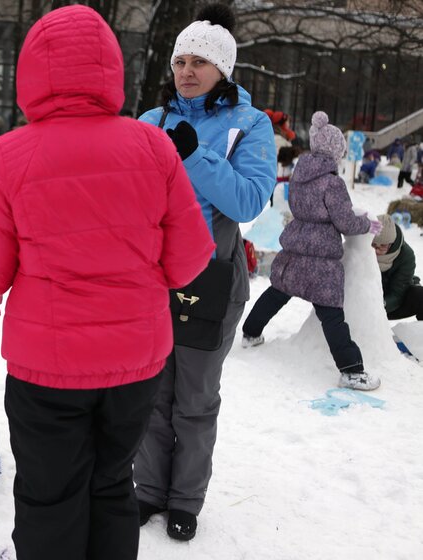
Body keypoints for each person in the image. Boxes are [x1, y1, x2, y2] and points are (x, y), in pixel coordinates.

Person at [0, 6, 216, 560]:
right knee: (111, 483)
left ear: (29, 76)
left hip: (46, 365)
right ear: (110, 70)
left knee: (49, 494)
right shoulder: (152, 146)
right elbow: (192, 255)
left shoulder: (8, 155)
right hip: (134, 361)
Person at [131, 4, 276, 542]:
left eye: (200, 62)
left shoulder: (251, 124)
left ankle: (185, 497)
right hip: (152, 274)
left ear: (224, 69)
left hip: (213, 273)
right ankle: (148, 487)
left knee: (195, 397)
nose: (187, 72)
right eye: (180, 61)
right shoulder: (151, 121)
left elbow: (249, 202)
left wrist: (195, 156)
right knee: (150, 391)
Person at [241, 111, 382, 393]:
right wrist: (367, 224)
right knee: (331, 313)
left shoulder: (299, 174)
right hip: (321, 257)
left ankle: (250, 332)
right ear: (335, 152)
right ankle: (352, 371)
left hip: (296, 245)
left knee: (277, 292)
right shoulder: (332, 183)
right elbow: (344, 221)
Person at [372, 214, 423, 319]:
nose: (377, 250)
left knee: (420, 296)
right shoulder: (360, 250)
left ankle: (418, 333)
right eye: (374, 245)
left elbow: (397, 294)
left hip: (392, 301)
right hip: (365, 301)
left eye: (383, 246)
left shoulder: (406, 255)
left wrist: (379, 305)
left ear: (391, 243)